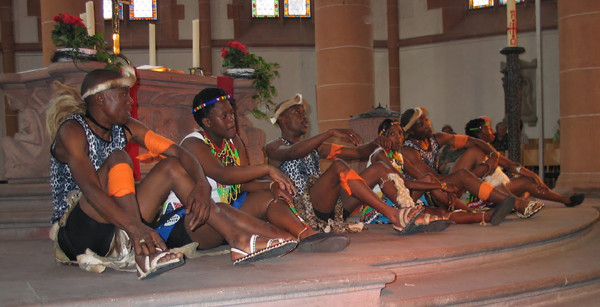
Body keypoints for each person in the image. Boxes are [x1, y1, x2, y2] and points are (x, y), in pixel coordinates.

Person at [46, 67, 297, 280]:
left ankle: (239, 241)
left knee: (171, 166)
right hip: (81, 231)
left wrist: (200, 184)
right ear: (101, 99)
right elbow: (90, 191)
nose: (131, 101)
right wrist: (138, 228)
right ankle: (143, 252)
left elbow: (180, 153)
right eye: (123, 95)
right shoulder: (73, 131)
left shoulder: (127, 127)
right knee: (119, 158)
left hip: (121, 225)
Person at [172, 87, 349, 252]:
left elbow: (241, 184)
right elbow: (222, 175)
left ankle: (306, 235)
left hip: (226, 210)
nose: (232, 119)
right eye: (224, 116)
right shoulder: (193, 143)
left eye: (232, 114)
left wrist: (271, 185)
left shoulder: (234, 142)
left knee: (269, 196)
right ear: (207, 122)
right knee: (221, 209)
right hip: (193, 220)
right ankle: (286, 238)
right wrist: (266, 169)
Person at [266, 94, 447, 235]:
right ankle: (393, 216)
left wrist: (376, 143)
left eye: (304, 113)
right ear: (282, 119)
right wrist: (330, 132)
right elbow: (293, 152)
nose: (304, 117)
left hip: (331, 208)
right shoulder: (274, 147)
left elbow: (358, 152)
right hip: (303, 210)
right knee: (338, 166)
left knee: (378, 169)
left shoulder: (317, 148)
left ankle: (406, 213)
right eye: (297, 113)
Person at [399, 107, 541, 219]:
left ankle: (500, 200)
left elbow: (473, 141)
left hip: (444, 186)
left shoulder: (437, 139)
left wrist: (492, 155)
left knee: (476, 153)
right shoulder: (409, 151)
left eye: (426, 119)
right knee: (463, 175)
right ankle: (515, 204)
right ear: (411, 131)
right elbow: (430, 180)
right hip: (427, 194)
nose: (428, 124)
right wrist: (470, 176)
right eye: (422, 123)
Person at [365, 119, 512, 225]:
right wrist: (441, 186)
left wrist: (442, 186)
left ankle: (485, 216)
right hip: (380, 207)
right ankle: (473, 211)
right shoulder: (380, 154)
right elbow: (407, 182)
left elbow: (420, 177)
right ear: (382, 137)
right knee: (431, 182)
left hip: (402, 198)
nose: (398, 137)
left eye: (400, 133)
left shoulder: (399, 157)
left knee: (442, 213)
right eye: (392, 134)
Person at [463, 117, 584, 207]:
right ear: (480, 132)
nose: (492, 131)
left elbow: (510, 165)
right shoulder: (473, 150)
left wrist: (533, 175)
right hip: (483, 195)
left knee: (528, 182)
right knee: (525, 185)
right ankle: (519, 205)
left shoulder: (488, 148)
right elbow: (465, 177)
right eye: (488, 128)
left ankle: (564, 200)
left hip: (498, 187)